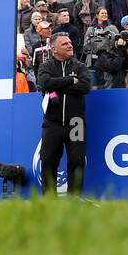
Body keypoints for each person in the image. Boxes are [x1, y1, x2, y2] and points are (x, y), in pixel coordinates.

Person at [36, 32, 90, 195]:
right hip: (53, 122)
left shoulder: (80, 67)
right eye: (65, 44)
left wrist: (56, 86)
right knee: (48, 161)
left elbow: (85, 87)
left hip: (76, 123)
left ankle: (74, 199)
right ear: (54, 49)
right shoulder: (46, 67)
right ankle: (49, 199)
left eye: (70, 42)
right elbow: (44, 83)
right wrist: (70, 81)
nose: (70, 45)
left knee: (77, 161)